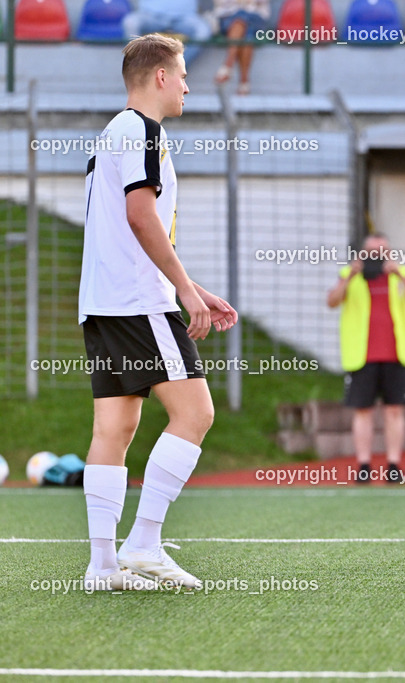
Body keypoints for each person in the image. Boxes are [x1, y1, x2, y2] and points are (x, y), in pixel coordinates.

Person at [80, 34, 238, 592]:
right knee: (195, 414)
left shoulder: (112, 134)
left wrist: (195, 286)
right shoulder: (143, 130)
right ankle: (144, 542)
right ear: (161, 77)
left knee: (115, 428)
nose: (190, 86)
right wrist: (182, 294)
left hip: (103, 303)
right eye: (185, 74)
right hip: (138, 304)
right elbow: (140, 216)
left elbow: (129, 231)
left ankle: (103, 567)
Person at [327, 234, 405, 484]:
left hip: (397, 354)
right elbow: (332, 301)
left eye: (382, 252)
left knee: (394, 410)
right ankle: (364, 465)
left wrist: (400, 275)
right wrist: (350, 276)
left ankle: (393, 464)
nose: (376, 257)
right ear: (362, 253)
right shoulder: (350, 274)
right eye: (371, 252)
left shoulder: (400, 274)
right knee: (363, 410)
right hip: (361, 355)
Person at [122, 0, 213, 66]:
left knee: (203, 31)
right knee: (130, 23)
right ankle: (140, 69)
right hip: (150, 15)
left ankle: (176, 66)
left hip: (185, 17)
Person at [213, 0, 271, 96]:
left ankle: (228, 64)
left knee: (242, 20)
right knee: (246, 31)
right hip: (228, 16)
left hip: (255, 16)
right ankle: (244, 81)